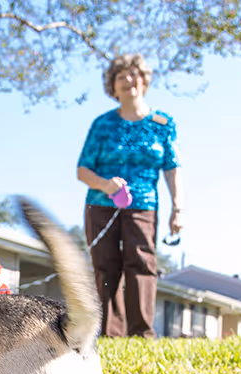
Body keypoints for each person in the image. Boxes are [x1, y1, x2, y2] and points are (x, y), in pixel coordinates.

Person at [77, 54, 183, 338]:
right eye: (120, 76)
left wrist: (178, 207)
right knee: (106, 265)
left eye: (133, 74)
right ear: (112, 86)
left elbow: (172, 167)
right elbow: (82, 170)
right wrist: (105, 184)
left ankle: (141, 333)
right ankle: (109, 333)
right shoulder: (102, 125)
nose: (127, 80)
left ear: (144, 80)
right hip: (101, 205)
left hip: (144, 205)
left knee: (141, 263)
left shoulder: (162, 123)